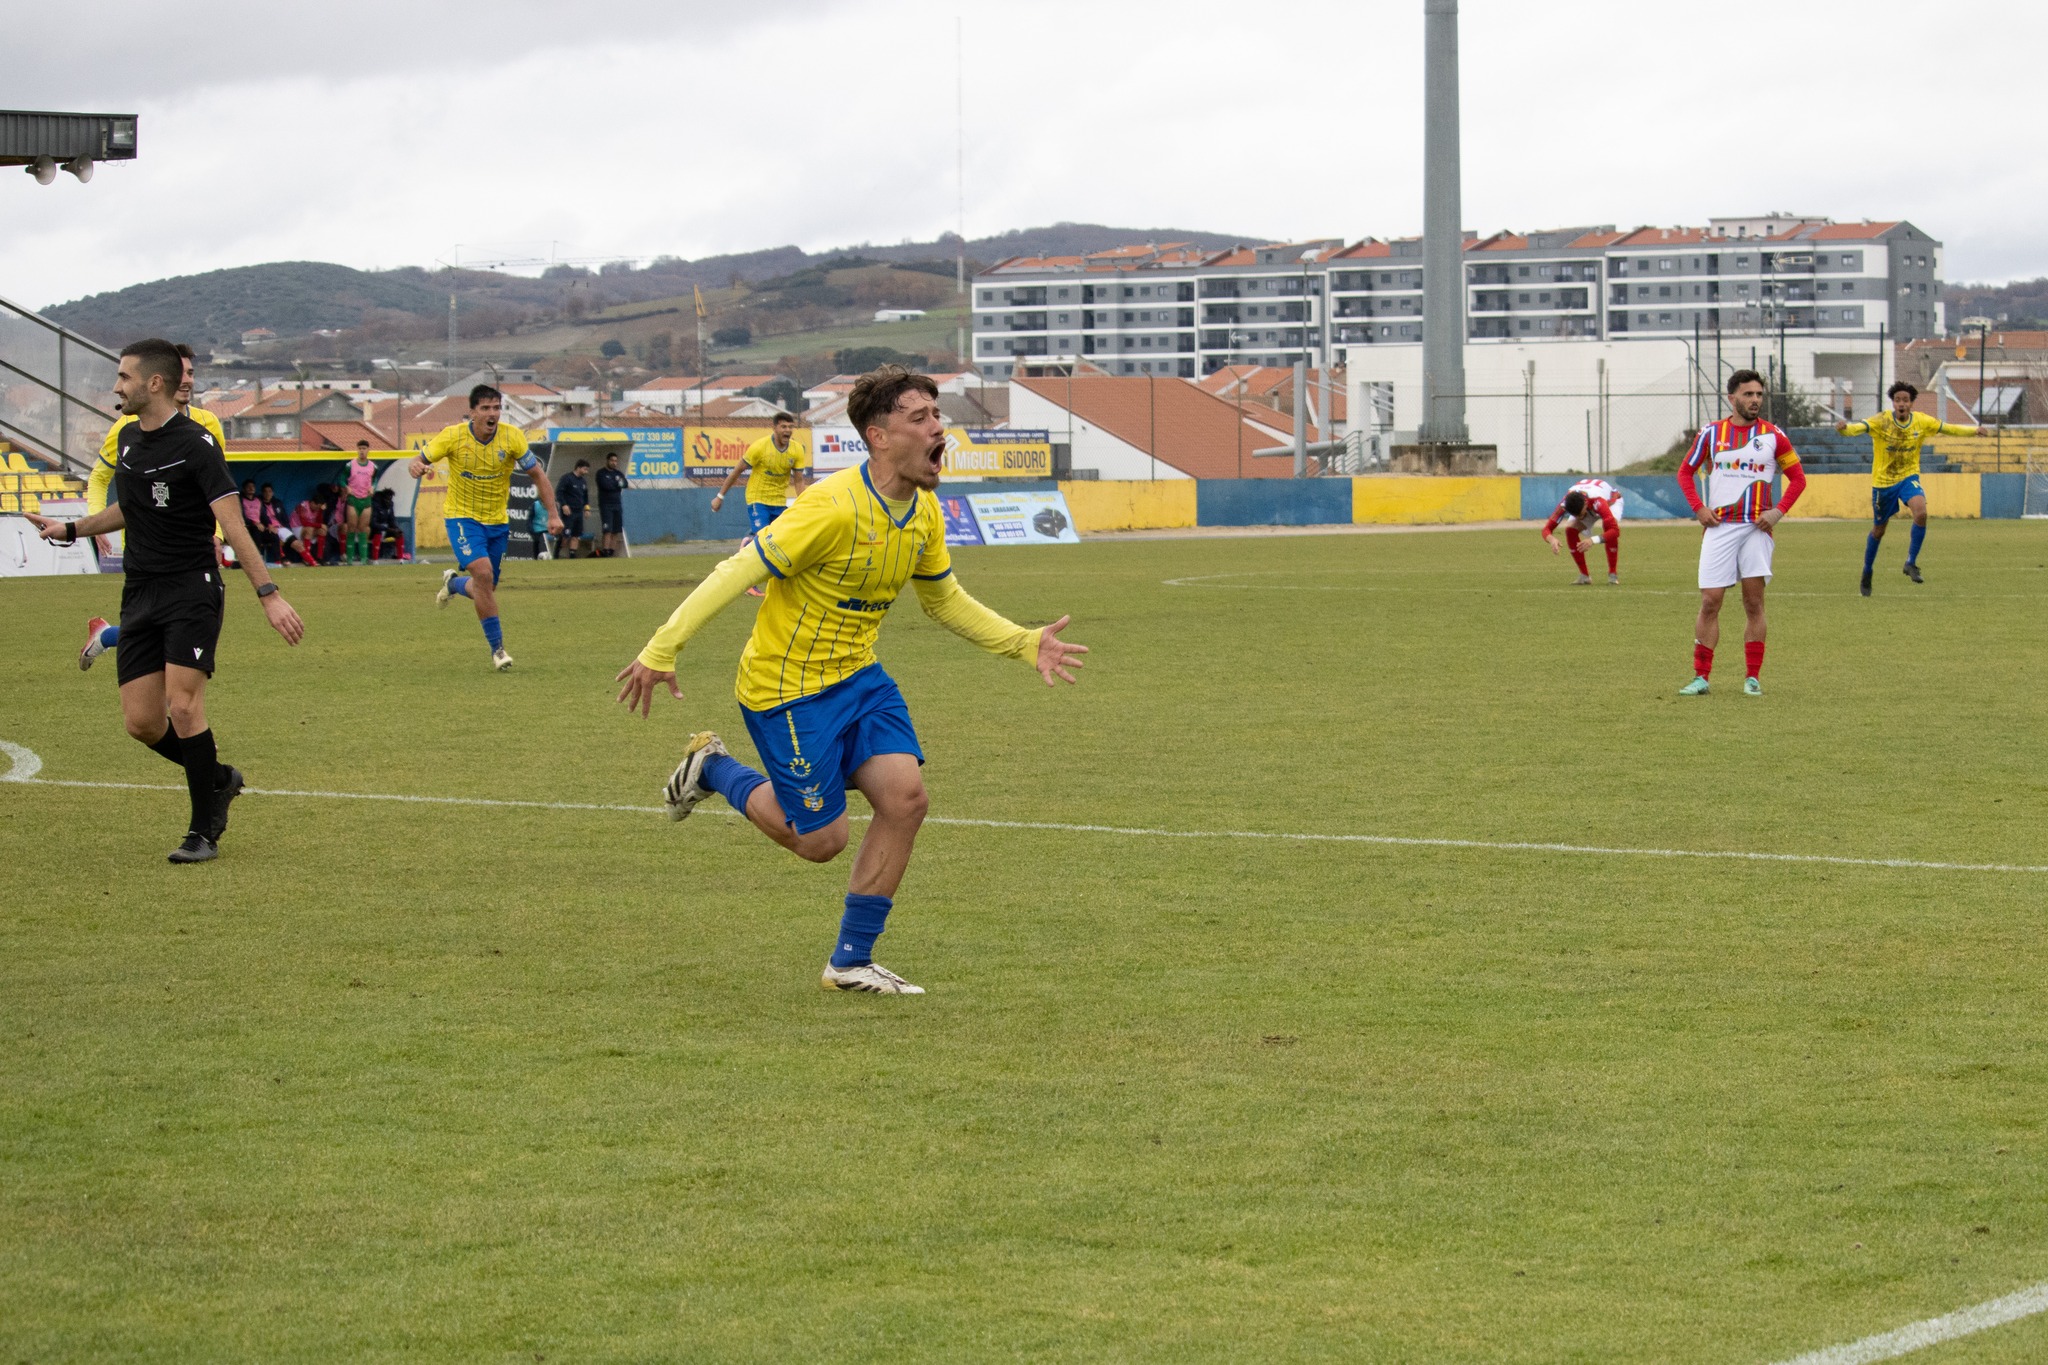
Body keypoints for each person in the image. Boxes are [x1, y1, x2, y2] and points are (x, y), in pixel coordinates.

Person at [614, 366, 1088, 995]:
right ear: (879, 436)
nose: (938, 428)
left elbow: (944, 601)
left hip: (860, 679)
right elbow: (737, 571)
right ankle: (713, 769)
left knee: (906, 800)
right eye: (920, 418)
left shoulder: (923, 512)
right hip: (786, 689)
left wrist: (1023, 642)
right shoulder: (830, 507)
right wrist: (661, 649)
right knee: (820, 841)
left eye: (937, 415)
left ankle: (850, 962)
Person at [28, 338, 304, 862]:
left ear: (154, 383)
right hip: (140, 591)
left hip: (191, 589)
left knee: (183, 707)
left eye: (124, 377)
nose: (117, 387)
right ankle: (218, 778)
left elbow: (233, 525)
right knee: (142, 723)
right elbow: (129, 508)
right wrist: (71, 528)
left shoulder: (198, 444)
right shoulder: (129, 439)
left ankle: (202, 833)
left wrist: (269, 594)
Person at [78, 344, 227, 671]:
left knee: (180, 629)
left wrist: (216, 533)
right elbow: (99, 477)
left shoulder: (208, 425)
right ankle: (109, 638)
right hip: (145, 549)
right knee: (154, 630)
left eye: (191, 373)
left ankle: (106, 636)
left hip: (190, 551)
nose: (186, 380)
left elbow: (216, 490)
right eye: (181, 373)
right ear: (161, 380)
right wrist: (94, 523)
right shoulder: (126, 429)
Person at [412, 384, 562, 671]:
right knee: (482, 574)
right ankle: (498, 650)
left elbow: (538, 475)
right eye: (485, 408)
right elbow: (417, 461)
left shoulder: (512, 437)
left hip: (497, 522)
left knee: (486, 587)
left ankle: (453, 584)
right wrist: (417, 467)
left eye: (496, 407)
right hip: (462, 519)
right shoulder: (453, 436)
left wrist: (552, 515)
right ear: (472, 412)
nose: (492, 414)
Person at [1676, 370, 1807, 697]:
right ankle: (1701, 677)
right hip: (1719, 527)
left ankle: (1752, 678)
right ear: (1732, 397)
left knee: (1753, 602)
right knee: (1710, 601)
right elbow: (1685, 472)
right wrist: (1699, 508)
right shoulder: (1711, 433)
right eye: (1748, 394)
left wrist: (1777, 512)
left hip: (1755, 529)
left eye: (1759, 394)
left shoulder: (1774, 436)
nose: (1755, 400)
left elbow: (1798, 479)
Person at [1837, 381, 1978, 596]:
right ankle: (1867, 570)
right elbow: (1859, 428)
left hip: (1908, 477)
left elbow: (1948, 428)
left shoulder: (1921, 421)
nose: (1901, 404)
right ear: (1893, 403)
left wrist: (1974, 431)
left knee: (1921, 513)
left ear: (1911, 403)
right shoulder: (1882, 420)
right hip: (1883, 483)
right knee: (1879, 530)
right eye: (1897, 400)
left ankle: (1910, 562)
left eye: (1905, 400)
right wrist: (1845, 429)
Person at [712, 412, 807, 593]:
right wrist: (720, 496)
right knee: (763, 538)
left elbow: (799, 481)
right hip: (758, 499)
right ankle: (749, 581)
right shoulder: (760, 447)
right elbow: (737, 471)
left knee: (784, 537)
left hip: (778, 501)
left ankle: (749, 542)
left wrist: (804, 504)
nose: (787, 430)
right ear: (775, 428)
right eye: (783, 426)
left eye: (790, 427)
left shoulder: (796, 450)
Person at [1541, 477, 1625, 584]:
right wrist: (1552, 539)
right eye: (1576, 515)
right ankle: (1584, 576)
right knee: (1570, 530)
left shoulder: (1597, 500)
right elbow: (1546, 529)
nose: (1579, 518)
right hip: (1589, 505)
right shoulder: (1565, 504)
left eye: (1580, 514)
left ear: (1585, 504)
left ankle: (1613, 575)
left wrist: (1592, 540)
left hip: (1612, 502)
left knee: (1608, 527)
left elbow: (1615, 531)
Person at [342, 440, 378, 565]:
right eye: (360, 448)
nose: (362, 451)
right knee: (351, 527)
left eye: (364, 448)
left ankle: (363, 559)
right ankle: (349, 559)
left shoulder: (373, 466)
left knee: (363, 528)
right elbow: (341, 479)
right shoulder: (350, 465)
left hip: (366, 499)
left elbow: (375, 479)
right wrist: (346, 487)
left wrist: (373, 487)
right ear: (357, 449)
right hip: (353, 499)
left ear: (368, 450)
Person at [595, 450, 629, 557]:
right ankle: (605, 551)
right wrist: (617, 484)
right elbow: (606, 486)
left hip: (617, 504)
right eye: (612, 460)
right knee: (607, 530)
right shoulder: (601, 473)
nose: (614, 463)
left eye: (615, 461)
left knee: (616, 530)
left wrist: (616, 484)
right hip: (606, 505)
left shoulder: (618, 473)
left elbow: (625, 484)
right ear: (607, 461)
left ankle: (611, 551)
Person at [238, 479, 282, 563]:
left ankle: (278, 561)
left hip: (259, 527)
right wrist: (254, 523)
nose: (251, 488)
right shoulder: (241, 500)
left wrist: (269, 525)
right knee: (256, 531)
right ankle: (256, 560)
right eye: (248, 487)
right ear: (243, 489)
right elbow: (241, 516)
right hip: (247, 527)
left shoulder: (258, 500)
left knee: (273, 535)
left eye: (253, 486)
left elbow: (264, 515)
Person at [554, 458, 591, 558]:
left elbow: (585, 497)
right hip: (569, 512)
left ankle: (572, 556)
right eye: (585, 469)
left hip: (579, 512)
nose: (586, 472)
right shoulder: (567, 478)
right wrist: (564, 505)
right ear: (578, 468)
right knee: (565, 535)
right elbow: (559, 492)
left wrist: (587, 509)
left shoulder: (583, 481)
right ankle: (556, 554)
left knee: (576, 535)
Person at [367, 487, 408, 562]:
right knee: (378, 532)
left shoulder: (390, 505)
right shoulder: (375, 505)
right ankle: (374, 559)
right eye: (387, 500)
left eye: (390, 499)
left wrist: (396, 528)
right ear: (383, 498)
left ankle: (400, 558)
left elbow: (391, 520)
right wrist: (387, 529)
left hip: (386, 529)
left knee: (399, 533)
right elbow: (373, 523)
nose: (388, 502)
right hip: (374, 530)